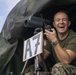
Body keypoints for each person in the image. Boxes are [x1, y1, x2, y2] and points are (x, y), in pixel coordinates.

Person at [43, 10, 76, 75]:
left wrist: (54, 41)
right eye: (58, 20)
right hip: (57, 71)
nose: (61, 22)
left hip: (72, 70)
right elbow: (40, 58)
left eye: (64, 20)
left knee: (58, 67)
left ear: (68, 23)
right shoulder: (52, 36)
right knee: (31, 71)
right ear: (54, 24)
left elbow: (66, 61)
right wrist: (40, 41)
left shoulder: (74, 37)